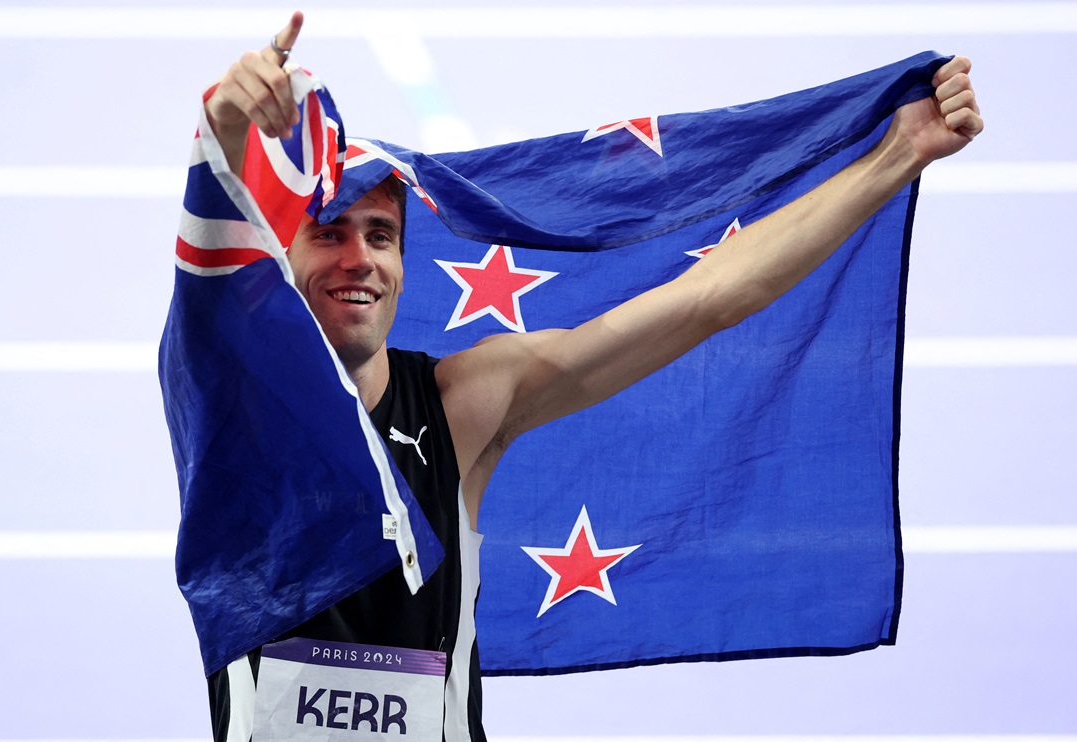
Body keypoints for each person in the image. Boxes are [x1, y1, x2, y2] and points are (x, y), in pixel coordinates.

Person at [199, 11, 982, 742]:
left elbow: (705, 299)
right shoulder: (236, 406)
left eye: (381, 236)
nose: (359, 258)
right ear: (276, 253)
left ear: (404, 263)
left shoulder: (462, 404)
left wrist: (896, 155)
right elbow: (209, 270)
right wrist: (228, 128)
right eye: (328, 233)